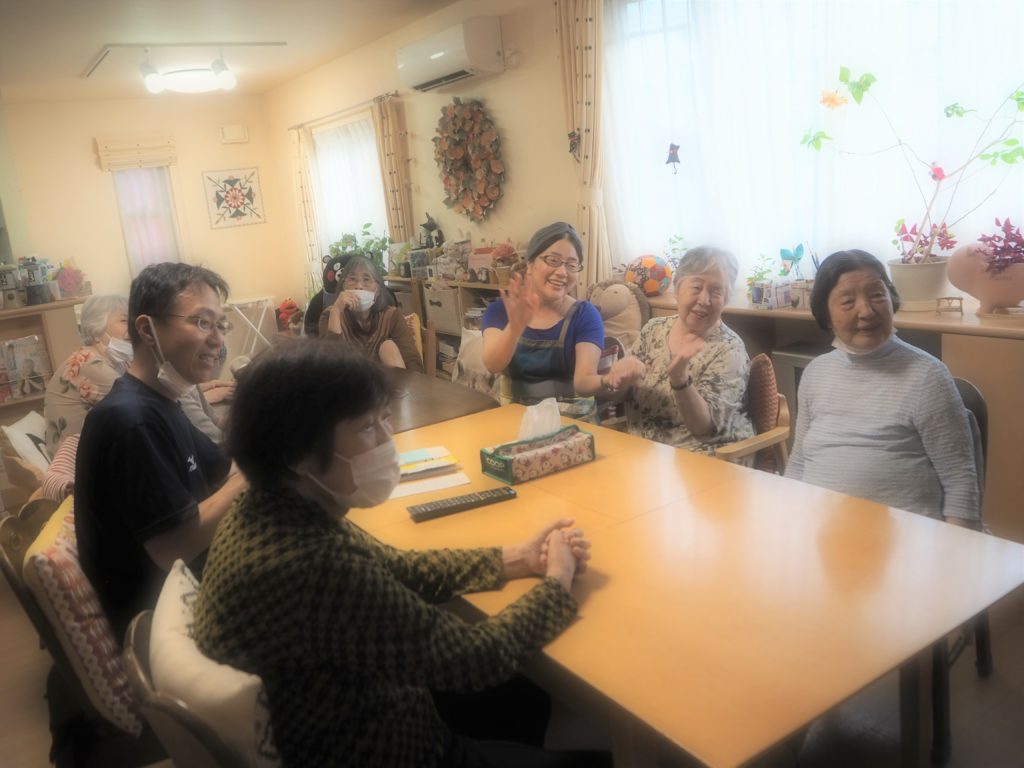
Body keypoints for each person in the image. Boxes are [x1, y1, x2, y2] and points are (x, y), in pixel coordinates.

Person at [194, 340, 605, 768]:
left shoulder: (268, 508)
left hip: (351, 708)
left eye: (385, 419)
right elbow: (473, 657)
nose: (387, 440)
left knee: (526, 697)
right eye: (367, 427)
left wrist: (517, 557)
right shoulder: (310, 565)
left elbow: (396, 566)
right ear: (298, 454)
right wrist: (557, 581)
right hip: (389, 748)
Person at [74, 263, 247, 641]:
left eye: (221, 325)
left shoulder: (162, 401)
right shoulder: (130, 420)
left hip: (198, 588)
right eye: (202, 322)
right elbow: (174, 547)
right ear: (146, 329)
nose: (217, 339)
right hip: (168, 625)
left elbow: (224, 469)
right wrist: (261, 469)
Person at [785, 249, 980, 526]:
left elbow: (960, 480)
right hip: (822, 533)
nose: (866, 311)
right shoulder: (815, 373)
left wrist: (953, 546)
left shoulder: (927, 376)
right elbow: (799, 462)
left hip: (905, 541)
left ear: (892, 299)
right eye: (848, 301)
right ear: (826, 316)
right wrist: (788, 522)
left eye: (877, 295)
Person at [481, 221, 641, 418]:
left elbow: (583, 382)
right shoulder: (500, 310)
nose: (562, 272)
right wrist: (514, 328)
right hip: (517, 420)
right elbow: (492, 364)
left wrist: (608, 380)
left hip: (573, 424)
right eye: (552, 260)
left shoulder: (585, 315)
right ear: (530, 264)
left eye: (571, 265)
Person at [618, 246, 754, 454]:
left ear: (726, 299)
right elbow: (622, 394)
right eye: (696, 288)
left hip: (704, 458)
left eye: (716, 292)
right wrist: (617, 378)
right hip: (643, 453)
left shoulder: (729, 349)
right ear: (677, 289)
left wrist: (680, 380)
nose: (704, 300)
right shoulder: (654, 329)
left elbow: (704, 427)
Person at [43, 293, 132, 454]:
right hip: (73, 462)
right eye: (125, 320)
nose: (133, 327)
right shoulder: (89, 365)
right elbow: (141, 409)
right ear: (96, 329)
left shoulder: (118, 361)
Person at [319, 254, 424, 371]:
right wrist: (336, 311)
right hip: (349, 380)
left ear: (377, 290)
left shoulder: (392, 316)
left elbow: (414, 365)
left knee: (388, 347)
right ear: (344, 286)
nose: (359, 286)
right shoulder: (330, 315)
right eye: (352, 279)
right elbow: (328, 366)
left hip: (390, 381)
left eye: (366, 279)